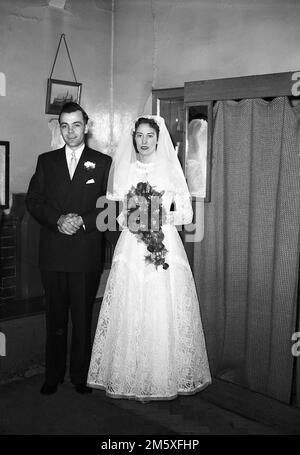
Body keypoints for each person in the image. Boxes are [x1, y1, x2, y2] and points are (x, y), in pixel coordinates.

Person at [87, 115, 211, 401]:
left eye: (149, 136)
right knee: (130, 306)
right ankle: (130, 375)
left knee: (160, 306)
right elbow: (117, 215)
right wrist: (130, 217)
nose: (144, 141)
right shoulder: (126, 170)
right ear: (134, 138)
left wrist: (158, 216)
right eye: (139, 136)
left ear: (158, 138)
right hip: (132, 245)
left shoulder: (169, 169)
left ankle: (160, 376)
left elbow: (187, 214)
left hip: (163, 242)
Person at [26, 102, 112, 395]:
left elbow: (110, 207)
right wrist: (58, 220)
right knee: (56, 318)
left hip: (85, 254)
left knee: (82, 318)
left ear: (86, 126)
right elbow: (34, 201)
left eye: (76, 125)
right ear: (59, 127)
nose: (70, 131)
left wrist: (83, 221)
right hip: (53, 253)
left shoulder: (103, 162)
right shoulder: (46, 161)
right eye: (64, 125)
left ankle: (79, 377)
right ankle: (52, 375)